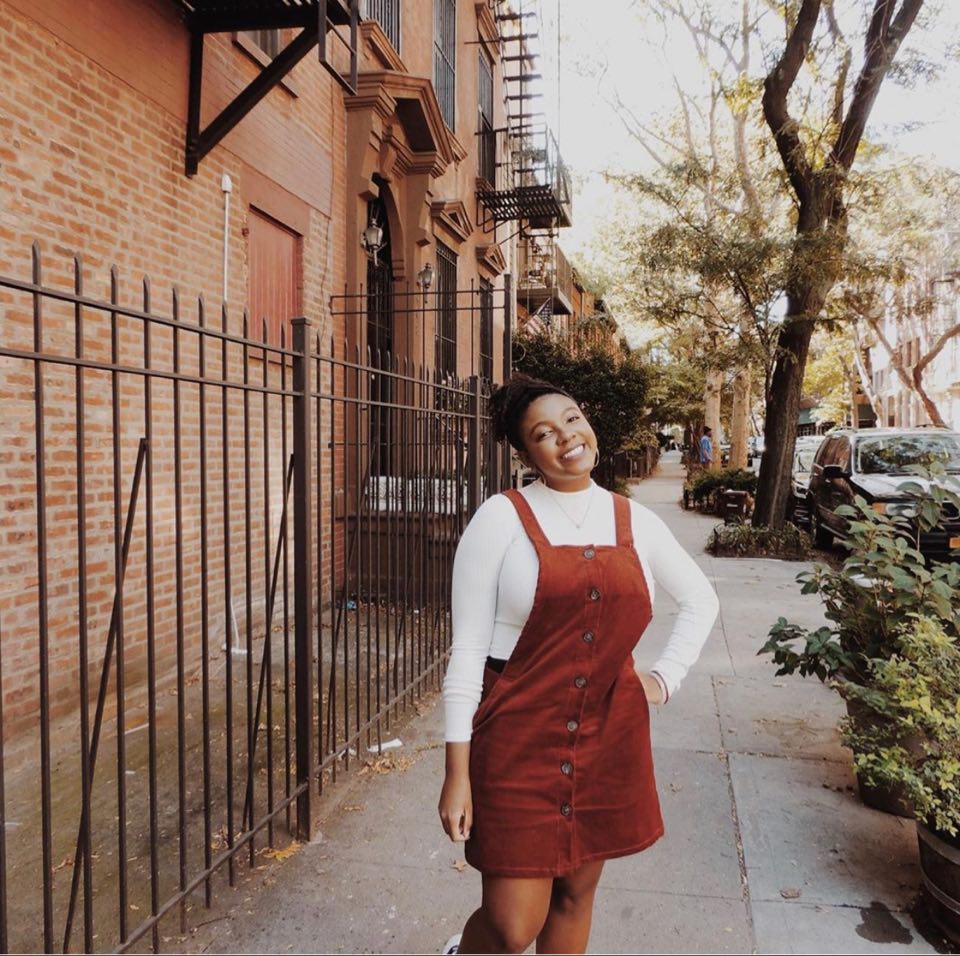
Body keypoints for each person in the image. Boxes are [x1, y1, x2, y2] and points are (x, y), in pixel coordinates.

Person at [437, 373, 719, 955]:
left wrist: (664, 678)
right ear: (526, 453)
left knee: (574, 895)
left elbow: (700, 599)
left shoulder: (633, 520)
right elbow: (466, 652)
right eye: (544, 433)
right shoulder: (500, 518)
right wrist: (456, 772)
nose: (566, 438)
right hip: (516, 733)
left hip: (607, 735)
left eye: (571, 419)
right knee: (513, 925)